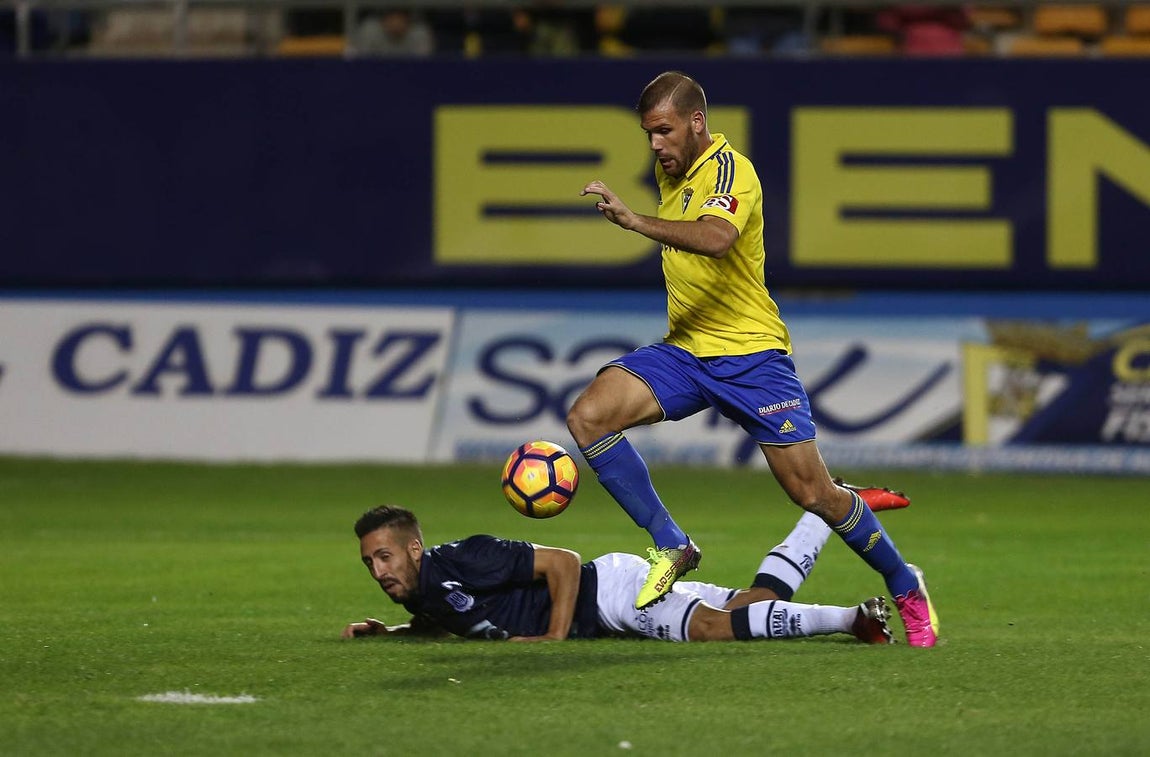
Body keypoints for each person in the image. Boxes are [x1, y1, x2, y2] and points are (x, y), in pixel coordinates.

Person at [573, 70, 939, 647]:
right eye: (648, 134)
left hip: (751, 358)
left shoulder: (730, 170)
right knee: (589, 417)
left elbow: (716, 238)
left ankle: (905, 583)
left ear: (698, 121)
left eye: (664, 131)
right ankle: (669, 541)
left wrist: (634, 220)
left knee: (813, 494)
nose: (655, 145)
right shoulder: (672, 171)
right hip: (688, 350)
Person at [342, 503, 898, 644]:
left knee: (711, 630)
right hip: (612, 592)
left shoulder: (464, 557)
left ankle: (853, 620)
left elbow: (560, 562)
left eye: (385, 556)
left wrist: (554, 637)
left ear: (414, 548)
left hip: (609, 594)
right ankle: (826, 511)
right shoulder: (419, 591)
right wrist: (391, 631)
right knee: (746, 606)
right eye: (370, 562)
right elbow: (447, 616)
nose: (377, 570)